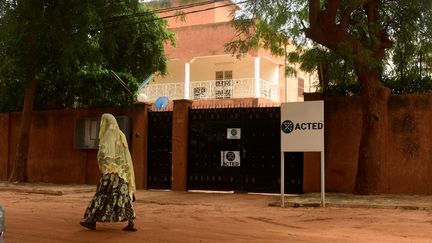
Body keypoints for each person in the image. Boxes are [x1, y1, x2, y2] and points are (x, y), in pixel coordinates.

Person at [80, 113, 137, 231]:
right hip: (121, 174)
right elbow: (126, 156)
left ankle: (91, 220)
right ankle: (130, 223)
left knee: (102, 195)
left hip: (110, 173)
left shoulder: (107, 137)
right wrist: (126, 173)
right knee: (123, 196)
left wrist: (104, 167)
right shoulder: (121, 135)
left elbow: (104, 155)